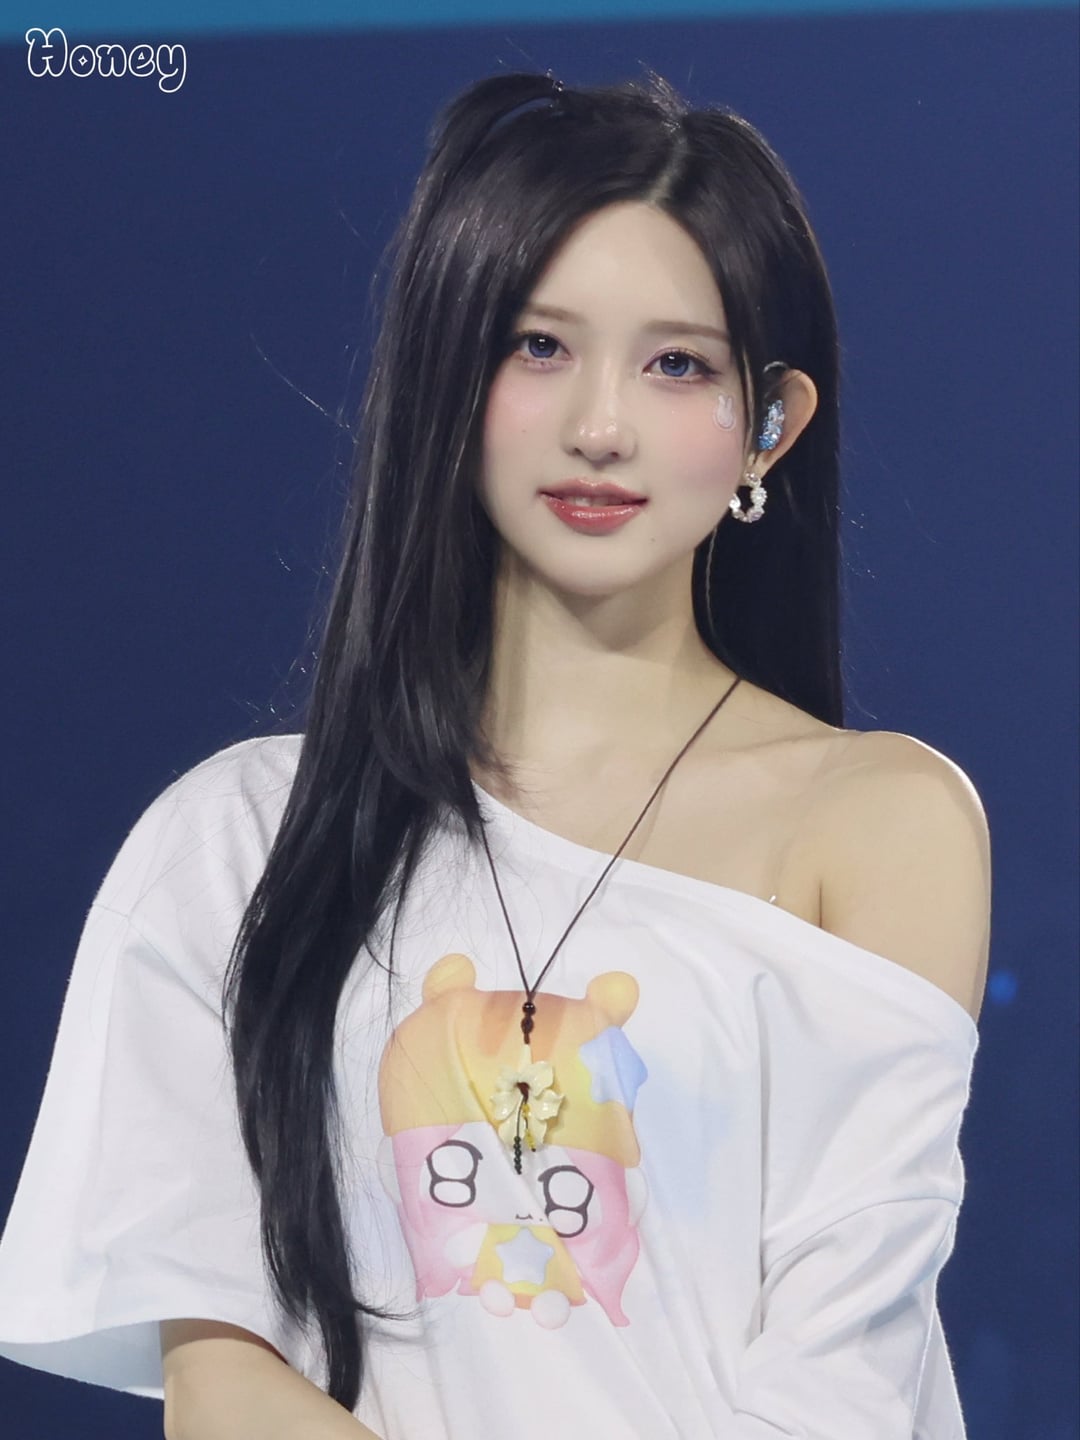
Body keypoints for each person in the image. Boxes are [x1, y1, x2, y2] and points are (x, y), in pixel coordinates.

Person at [0, 68, 991, 1439]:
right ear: (446, 378)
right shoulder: (239, 842)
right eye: (536, 346)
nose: (601, 425)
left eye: (677, 364)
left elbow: (846, 1378)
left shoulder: (881, 820)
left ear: (770, 426)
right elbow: (221, 1382)